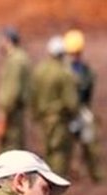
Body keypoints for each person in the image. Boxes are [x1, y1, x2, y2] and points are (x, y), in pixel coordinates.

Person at [29, 36, 79, 177]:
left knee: (46, 150)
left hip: (42, 119)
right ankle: (56, 182)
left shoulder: (39, 70)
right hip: (59, 120)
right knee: (59, 152)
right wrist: (74, 117)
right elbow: (71, 102)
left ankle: (44, 181)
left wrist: (35, 115)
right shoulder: (64, 73)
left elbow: (33, 95)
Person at [63, 29, 102, 183]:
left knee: (90, 145)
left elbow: (88, 90)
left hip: (81, 111)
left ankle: (97, 176)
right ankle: (63, 177)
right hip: (67, 113)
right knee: (64, 148)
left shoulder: (86, 71)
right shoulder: (62, 70)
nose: (74, 57)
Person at [0, 26, 31, 150]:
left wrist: (3, 114)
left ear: (8, 40)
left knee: (10, 150)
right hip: (15, 112)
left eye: (1, 39)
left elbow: (12, 91)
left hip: (11, 114)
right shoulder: (19, 57)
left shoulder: (15, 60)